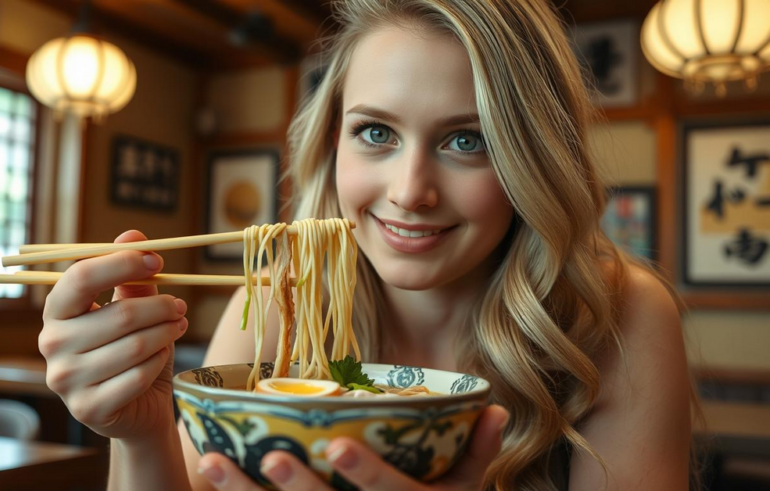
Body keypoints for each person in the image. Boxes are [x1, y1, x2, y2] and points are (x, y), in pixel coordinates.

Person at [38, 0, 697, 489]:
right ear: (332, 140)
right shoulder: (278, 300)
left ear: (533, 159)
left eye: (467, 140)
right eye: (376, 133)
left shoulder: (616, 316)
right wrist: (142, 428)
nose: (410, 191)